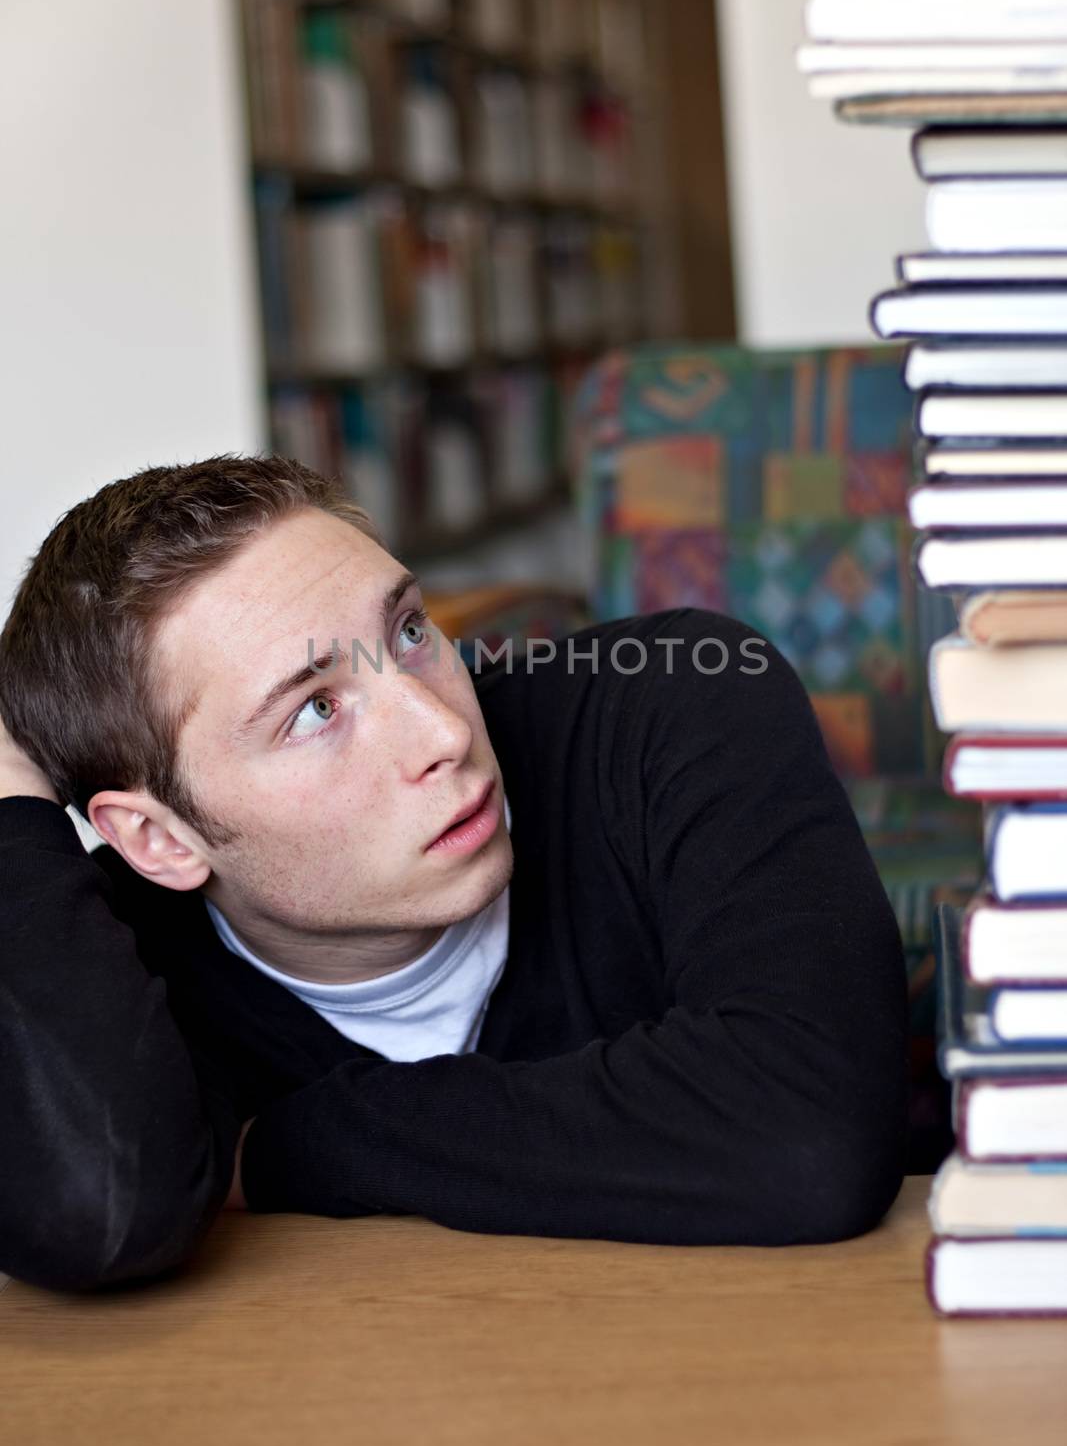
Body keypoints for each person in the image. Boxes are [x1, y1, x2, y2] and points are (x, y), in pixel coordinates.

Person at [0, 455, 909, 1293]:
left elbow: (808, 1138)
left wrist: (287, 1149)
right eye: (315, 710)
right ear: (160, 842)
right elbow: (101, 1208)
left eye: (405, 632)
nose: (443, 733)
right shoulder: (108, 977)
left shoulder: (671, 710)